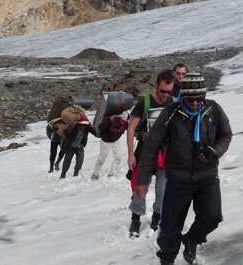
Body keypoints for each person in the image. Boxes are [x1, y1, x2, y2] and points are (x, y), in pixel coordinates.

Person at [136, 72, 233, 265]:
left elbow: (226, 135)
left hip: (206, 175)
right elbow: (151, 147)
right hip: (178, 178)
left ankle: (192, 239)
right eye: (190, 99)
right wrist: (142, 180)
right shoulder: (171, 113)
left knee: (212, 216)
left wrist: (215, 151)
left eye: (199, 99)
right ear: (183, 97)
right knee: (170, 226)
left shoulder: (213, 110)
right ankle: (167, 259)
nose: (195, 103)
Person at [126, 70, 176, 238]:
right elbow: (131, 127)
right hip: (145, 151)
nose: (165, 95)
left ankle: (157, 218)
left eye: (169, 91)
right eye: (163, 91)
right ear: (156, 84)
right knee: (140, 187)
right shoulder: (145, 102)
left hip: (166, 153)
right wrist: (131, 154)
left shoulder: (174, 103)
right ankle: (135, 219)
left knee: (164, 189)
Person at [58, 106, 98, 179]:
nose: (83, 127)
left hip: (80, 146)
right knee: (67, 160)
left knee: (80, 161)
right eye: (82, 125)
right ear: (79, 123)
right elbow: (67, 133)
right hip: (71, 146)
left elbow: (96, 134)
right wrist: (72, 126)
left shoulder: (87, 127)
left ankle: (75, 174)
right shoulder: (73, 126)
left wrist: (92, 127)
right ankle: (63, 174)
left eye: (85, 125)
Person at [92, 111, 129, 180]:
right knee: (101, 159)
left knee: (118, 157)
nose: (123, 122)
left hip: (116, 140)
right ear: (119, 118)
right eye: (122, 120)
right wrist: (109, 121)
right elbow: (100, 127)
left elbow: (131, 128)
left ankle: (111, 173)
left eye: (125, 121)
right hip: (106, 141)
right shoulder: (112, 119)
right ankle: (95, 174)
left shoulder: (125, 124)